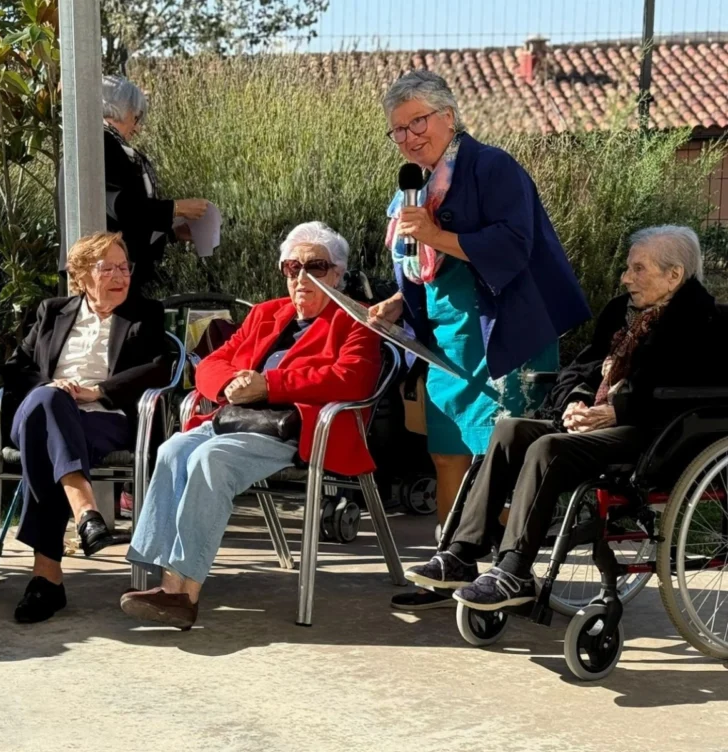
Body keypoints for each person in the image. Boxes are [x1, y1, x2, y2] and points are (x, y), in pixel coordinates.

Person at [405, 226, 727, 610]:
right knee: (509, 430)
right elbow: (582, 367)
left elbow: (692, 393)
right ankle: (461, 552)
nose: (626, 278)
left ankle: (514, 570)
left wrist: (617, 410)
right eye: (627, 268)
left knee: (549, 447)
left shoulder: (708, 324)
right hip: (600, 425)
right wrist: (574, 400)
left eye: (638, 269)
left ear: (674, 275)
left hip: (656, 435)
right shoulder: (619, 312)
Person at [367, 69, 591, 611]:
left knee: (503, 458)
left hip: (505, 336)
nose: (408, 137)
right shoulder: (411, 190)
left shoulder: (494, 168)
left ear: (448, 114)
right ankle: (451, 565)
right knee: (448, 455)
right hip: (446, 340)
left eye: (417, 122)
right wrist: (398, 304)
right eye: (398, 130)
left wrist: (436, 234)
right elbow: (421, 269)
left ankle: (509, 572)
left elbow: (513, 246)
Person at [120, 222, 382, 628]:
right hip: (236, 417)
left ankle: (182, 594)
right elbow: (211, 363)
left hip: (297, 427)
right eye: (293, 267)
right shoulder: (265, 314)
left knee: (211, 459)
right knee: (173, 448)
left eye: (316, 266)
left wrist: (269, 385)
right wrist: (230, 383)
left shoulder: (355, 320)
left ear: (337, 273)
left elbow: (351, 379)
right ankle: (163, 578)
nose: (302, 277)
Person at [3, 231, 170, 624]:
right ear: (80, 277)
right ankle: (85, 511)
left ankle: (47, 578)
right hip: (40, 412)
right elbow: (15, 370)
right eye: (107, 267)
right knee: (49, 401)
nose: (119, 276)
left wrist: (98, 391)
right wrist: (51, 388)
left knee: (47, 444)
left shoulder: (145, 314)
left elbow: (160, 368)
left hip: (105, 419)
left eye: (124, 267)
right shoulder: (51, 311)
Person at [100, 75, 210, 293]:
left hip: (120, 267)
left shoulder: (113, 144)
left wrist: (171, 233)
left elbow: (132, 219)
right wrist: (177, 208)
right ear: (122, 108)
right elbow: (122, 206)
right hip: (108, 271)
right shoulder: (104, 144)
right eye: (137, 117)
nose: (138, 128)